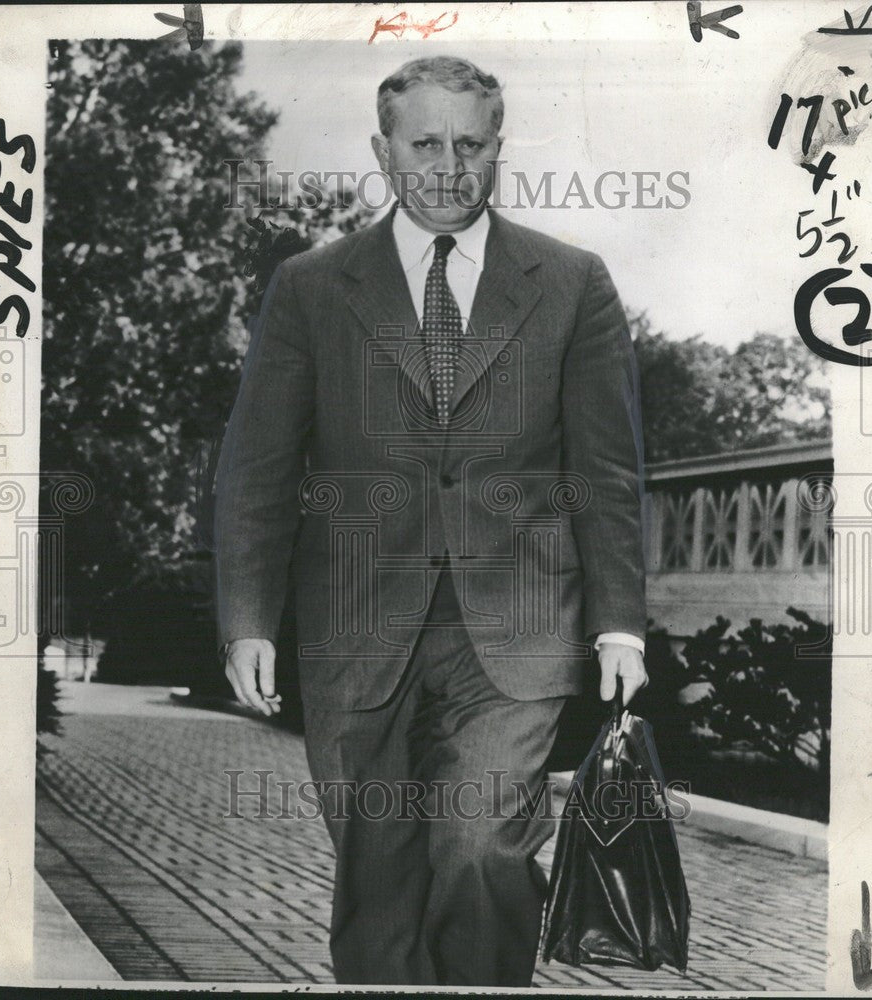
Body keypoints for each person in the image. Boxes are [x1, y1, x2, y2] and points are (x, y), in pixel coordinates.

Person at [214, 55, 648, 987]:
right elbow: (256, 467)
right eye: (424, 144)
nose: (448, 166)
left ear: (498, 147)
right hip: (356, 625)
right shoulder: (313, 287)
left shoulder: (571, 283)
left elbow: (605, 470)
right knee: (377, 869)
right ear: (382, 152)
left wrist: (618, 622)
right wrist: (248, 620)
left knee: (485, 848)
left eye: (470, 143)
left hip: (519, 628)